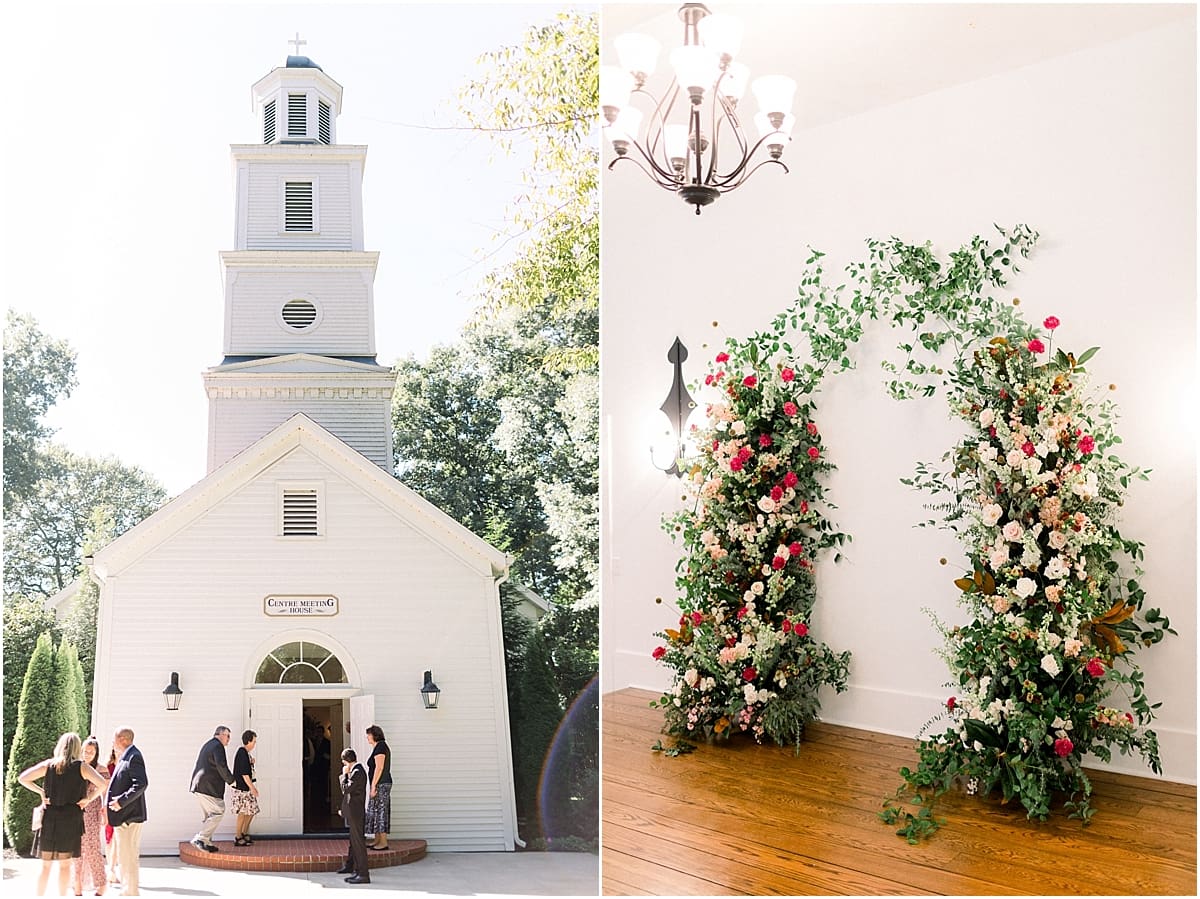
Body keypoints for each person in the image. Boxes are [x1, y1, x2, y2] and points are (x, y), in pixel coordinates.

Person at [19, 732, 109, 897]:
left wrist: (41, 792)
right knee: (65, 866)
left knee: (45, 867)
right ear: (77, 748)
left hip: (50, 820)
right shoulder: (82, 767)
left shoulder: (49, 765)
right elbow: (102, 784)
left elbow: (23, 778)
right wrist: (88, 799)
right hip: (72, 820)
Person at [105, 726, 148, 897]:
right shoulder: (126, 756)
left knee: (129, 858)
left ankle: (130, 893)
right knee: (124, 858)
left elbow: (141, 784)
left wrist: (121, 801)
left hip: (129, 818)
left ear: (123, 739)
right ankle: (126, 892)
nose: (113, 742)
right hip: (122, 818)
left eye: (114, 738)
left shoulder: (134, 757)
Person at [73, 736, 111, 896]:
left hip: (92, 810)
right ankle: (77, 884)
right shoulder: (76, 767)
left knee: (93, 847)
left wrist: (105, 811)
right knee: (76, 848)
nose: (87, 754)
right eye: (85, 751)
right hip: (75, 811)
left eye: (91, 752)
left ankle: (101, 884)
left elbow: (106, 791)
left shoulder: (101, 769)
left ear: (96, 753)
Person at [188, 726, 235, 852]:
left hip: (200, 785)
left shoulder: (209, 744)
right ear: (220, 734)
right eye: (228, 736)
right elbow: (221, 765)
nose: (229, 740)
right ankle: (201, 838)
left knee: (210, 815)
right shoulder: (217, 746)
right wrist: (232, 781)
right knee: (218, 811)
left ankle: (206, 842)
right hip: (207, 786)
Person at [336, 748, 369, 885]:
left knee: (358, 843)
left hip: (356, 812)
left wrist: (345, 775)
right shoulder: (356, 771)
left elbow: (346, 789)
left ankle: (363, 874)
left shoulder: (357, 772)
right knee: (353, 842)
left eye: (344, 762)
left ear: (347, 761)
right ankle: (351, 867)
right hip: (353, 812)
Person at [229, 730, 260, 847]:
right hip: (242, 789)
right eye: (254, 741)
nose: (254, 744)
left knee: (251, 812)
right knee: (242, 813)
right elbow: (244, 774)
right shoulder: (242, 753)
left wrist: (251, 762)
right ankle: (238, 836)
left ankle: (244, 833)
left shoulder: (246, 754)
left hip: (246, 789)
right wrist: (253, 788)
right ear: (248, 741)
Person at [364, 724, 391, 851]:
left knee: (380, 812)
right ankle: (377, 839)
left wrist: (373, 785)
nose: (367, 737)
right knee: (374, 811)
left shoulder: (381, 746)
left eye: (369, 735)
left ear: (375, 735)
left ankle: (383, 842)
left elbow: (379, 767)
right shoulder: (378, 747)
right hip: (378, 784)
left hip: (381, 784)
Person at [103, 748, 119, 887]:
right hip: (109, 805)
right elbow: (105, 789)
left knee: (117, 839)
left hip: (122, 805)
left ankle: (112, 869)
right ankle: (111, 868)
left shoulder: (126, 764)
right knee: (109, 837)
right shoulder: (109, 767)